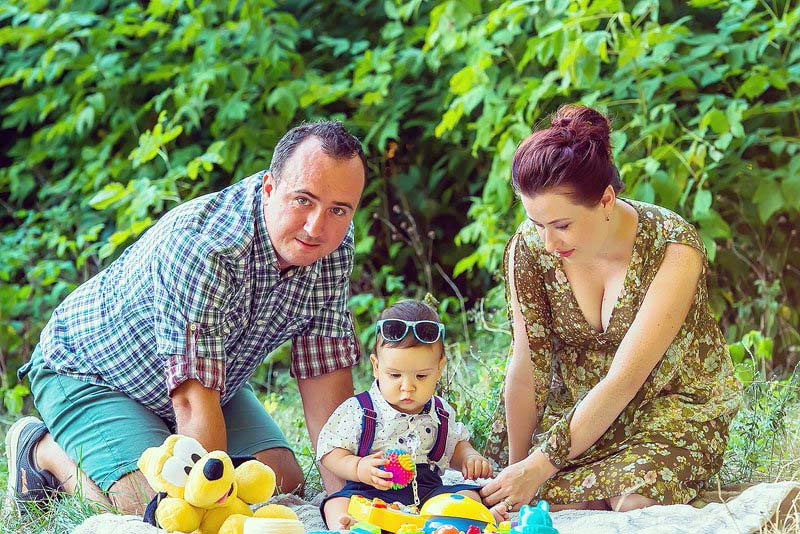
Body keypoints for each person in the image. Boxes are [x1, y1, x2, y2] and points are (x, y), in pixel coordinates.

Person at [5, 121, 367, 515]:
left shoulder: (332, 247)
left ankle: (148, 445)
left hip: (208, 376)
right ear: (269, 188)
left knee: (282, 483)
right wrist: (206, 514)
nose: (317, 226)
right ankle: (41, 452)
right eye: (303, 200)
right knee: (152, 506)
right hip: (92, 373)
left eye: (338, 210)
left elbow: (324, 373)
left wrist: (346, 498)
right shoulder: (205, 246)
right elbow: (193, 404)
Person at [480, 105, 741, 514]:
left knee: (633, 501)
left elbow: (625, 379)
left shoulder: (673, 248)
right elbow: (526, 366)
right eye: (535, 223)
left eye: (562, 226)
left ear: (605, 200)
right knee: (533, 500)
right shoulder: (529, 250)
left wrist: (539, 466)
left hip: (667, 408)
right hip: (577, 415)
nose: (548, 242)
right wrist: (519, 471)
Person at [316, 300, 500, 530]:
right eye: (394, 375)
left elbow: (456, 446)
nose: (407, 387)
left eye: (421, 376)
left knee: (466, 494)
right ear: (376, 366)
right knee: (336, 503)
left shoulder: (440, 412)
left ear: (440, 368)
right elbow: (330, 452)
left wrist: (469, 457)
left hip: (427, 493)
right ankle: (352, 527)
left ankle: (450, 525)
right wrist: (358, 467)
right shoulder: (360, 410)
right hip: (370, 492)